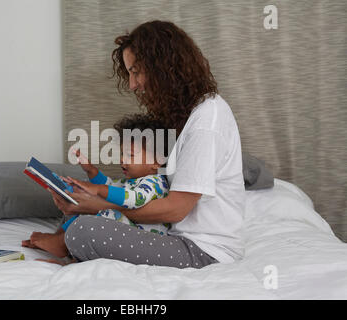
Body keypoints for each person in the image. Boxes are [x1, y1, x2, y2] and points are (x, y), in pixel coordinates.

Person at [32, 20, 246, 269]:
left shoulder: (207, 120)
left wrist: (99, 205)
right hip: (176, 236)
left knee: (84, 230)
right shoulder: (188, 117)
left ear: (163, 67)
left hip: (205, 251)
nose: (132, 85)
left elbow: (176, 210)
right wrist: (91, 195)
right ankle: (71, 245)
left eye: (136, 71)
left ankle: (73, 244)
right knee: (82, 220)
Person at [22, 114, 171, 263]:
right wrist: (91, 170)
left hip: (142, 239)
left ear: (157, 162)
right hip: (130, 229)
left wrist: (98, 190)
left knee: (106, 211)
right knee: (85, 207)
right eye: (121, 154)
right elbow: (111, 186)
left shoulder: (155, 183)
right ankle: (59, 239)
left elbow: (133, 199)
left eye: (130, 155)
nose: (122, 160)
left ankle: (63, 247)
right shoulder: (134, 180)